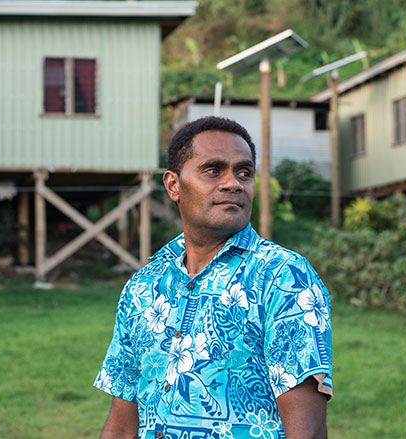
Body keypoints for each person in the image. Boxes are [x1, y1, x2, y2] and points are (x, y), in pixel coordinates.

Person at [94, 116, 332, 439]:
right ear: (173, 185)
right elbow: (122, 426)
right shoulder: (143, 287)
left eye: (244, 172)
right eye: (213, 170)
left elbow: (309, 432)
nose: (233, 183)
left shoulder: (282, 277)